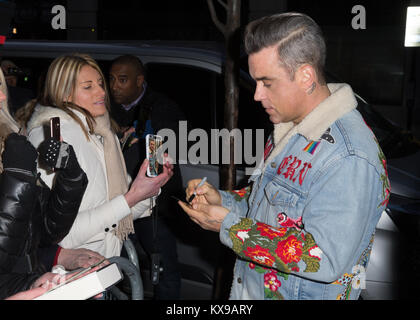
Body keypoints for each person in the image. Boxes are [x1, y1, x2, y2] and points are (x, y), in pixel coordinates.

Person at [178, 12, 390, 300]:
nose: (256, 95)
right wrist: (223, 200)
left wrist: (229, 225)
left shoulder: (349, 156)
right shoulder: (290, 128)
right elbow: (267, 205)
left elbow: (324, 258)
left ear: (305, 76)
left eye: (267, 82)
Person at [19, 53, 173, 262]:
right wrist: (132, 197)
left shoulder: (99, 134)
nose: (102, 91)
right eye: (88, 86)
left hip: (103, 269)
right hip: (67, 277)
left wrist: (149, 187)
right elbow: (61, 236)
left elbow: (120, 217)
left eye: (100, 84)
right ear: (64, 93)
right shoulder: (51, 139)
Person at [0, 68, 99, 299]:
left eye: (1, 88)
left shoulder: (8, 142)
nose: (3, 97)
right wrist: (18, 179)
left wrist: (70, 178)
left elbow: (45, 232)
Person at [109, 55, 184, 299]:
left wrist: (136, 142)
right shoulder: (106, 108)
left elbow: (164, 152)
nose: (114, 86)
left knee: (163, 271)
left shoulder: (162, 108)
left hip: (154, 207)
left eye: (122, 80)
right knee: (115, 271)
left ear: (140, 81)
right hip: (116, 203)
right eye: (111, 79)